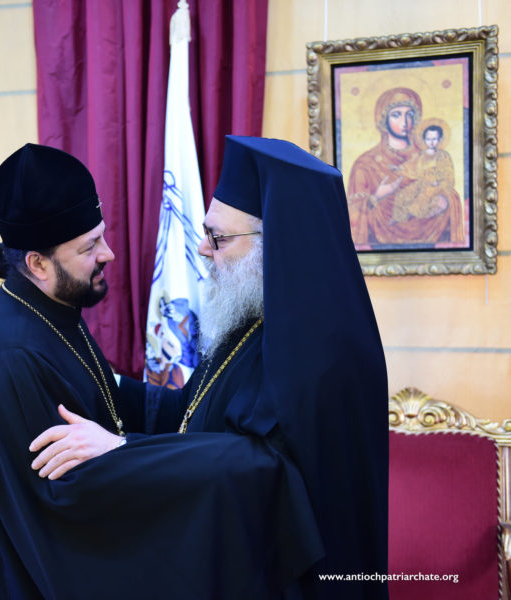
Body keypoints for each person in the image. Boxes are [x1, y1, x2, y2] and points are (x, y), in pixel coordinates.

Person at [0, 142, 323, 600]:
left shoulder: (54, 309)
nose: (108, 253)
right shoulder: (8, 362)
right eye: (89, 246)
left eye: (102, 236)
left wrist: (126, 439)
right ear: (37, 263)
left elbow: (104, 403)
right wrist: (126, 451)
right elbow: (61, 512)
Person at [31, 136, 389, 599]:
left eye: (218, 237)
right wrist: (104, 381)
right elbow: (192, 411)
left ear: (276, 245)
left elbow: (265, 469)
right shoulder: (253, 318)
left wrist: (122, 450)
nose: (202, 249)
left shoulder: (328, 348)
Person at [347, 87, 463, 247]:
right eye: (396, 115)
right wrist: (377, 196)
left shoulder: (431, 156)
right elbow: (350, 213)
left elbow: (449, 188)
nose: (405, 122)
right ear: (383, 119)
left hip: (432, 244)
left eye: (409, 114)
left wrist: (445, 200)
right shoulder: (366, 164)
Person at [390, 121, 464, 243]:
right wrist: (399, 168)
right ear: (424, 140)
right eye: (428, 139)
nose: (431, 142)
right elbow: (411, 166)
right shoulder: (421, 155)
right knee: (403, 194)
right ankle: (399, 220)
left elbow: (448, 174)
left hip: (436, 185)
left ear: (440, 140)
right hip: (421, 183)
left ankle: (414, 216)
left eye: (434, 139)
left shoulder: (443, 156)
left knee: (423, 199)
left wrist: (438, 182)